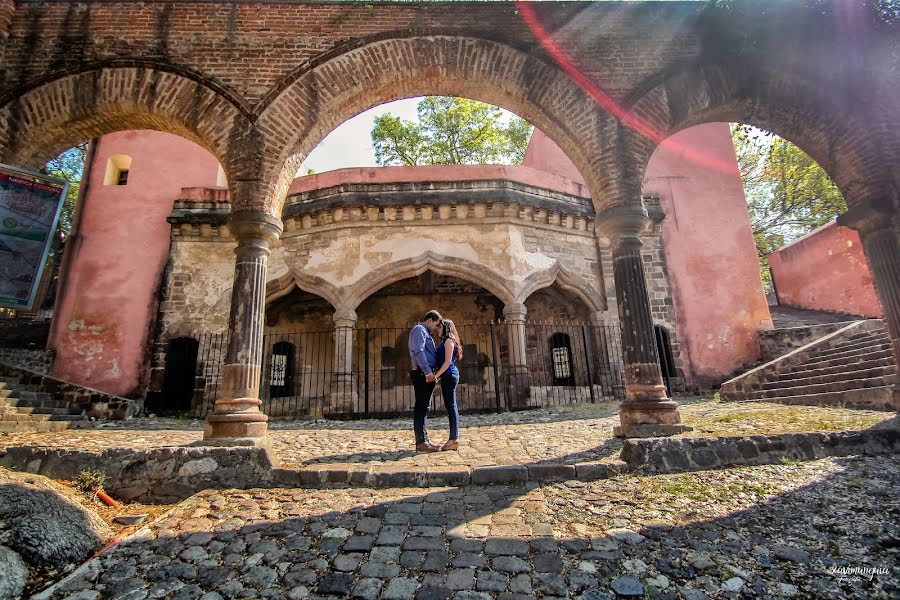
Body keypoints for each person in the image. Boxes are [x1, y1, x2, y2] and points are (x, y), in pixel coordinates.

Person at [408, 310, 443, 452]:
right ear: (429, 320)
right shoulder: (419, 330)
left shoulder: (425, 332)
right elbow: (419, 351)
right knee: (421, 407)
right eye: (436, 324)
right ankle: (421, 442)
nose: (436, 327)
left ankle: (424, 440)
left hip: (425, 373)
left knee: (424, 407)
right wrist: (428, 372)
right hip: (422, 374)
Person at [433, 319, 462, 451]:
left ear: (446, 328)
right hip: (446, 375)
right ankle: (453, 438)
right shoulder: (445, 341)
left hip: (449, 375)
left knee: (451, 406)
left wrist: (436, 375)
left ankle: (453, 439)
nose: (437, 330)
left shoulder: (449, 341)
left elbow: (447, 362)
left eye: (439, 327)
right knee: (450, 405)